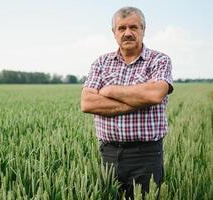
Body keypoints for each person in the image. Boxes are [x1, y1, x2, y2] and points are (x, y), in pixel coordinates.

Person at [81, 6, 173, 200]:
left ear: (143, 30)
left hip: (146, 155)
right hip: (109, 154)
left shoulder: (159, 61)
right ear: (114, 32)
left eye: (134, 27)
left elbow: (155, 95)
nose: (128, 33)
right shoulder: (101, 63)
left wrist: (110, 91)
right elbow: (88, 103)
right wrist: (140, 99)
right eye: (122, 28)